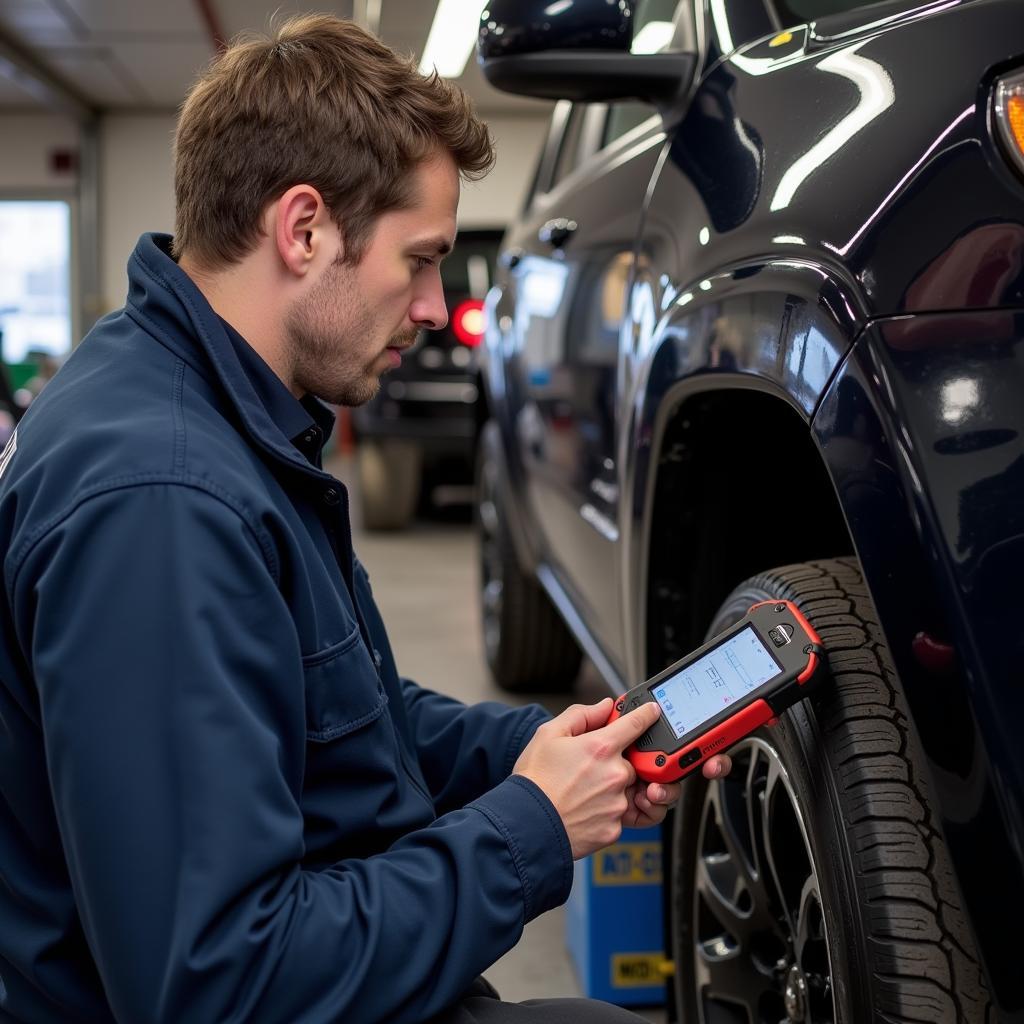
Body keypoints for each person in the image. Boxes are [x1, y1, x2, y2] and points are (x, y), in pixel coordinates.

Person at [0, 16, 731, 1024]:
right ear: (303, 230)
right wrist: (530, 826)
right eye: (421, 259)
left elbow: (332, 717)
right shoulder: (160, 503)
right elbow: (216, 988)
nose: (437, 308)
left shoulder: (216, 414)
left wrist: (542, 749)